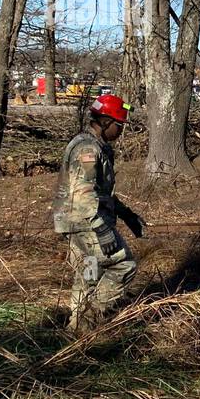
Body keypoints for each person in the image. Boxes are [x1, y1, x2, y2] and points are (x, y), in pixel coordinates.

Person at [52, 94, 146, 332]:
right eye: (118, 125)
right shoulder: (88, 149)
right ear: (104, 122)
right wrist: (102, 228)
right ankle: (88, 321)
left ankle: (76, 333)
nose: (120, 131)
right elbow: (84, 192)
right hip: (86, 222)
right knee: (123, 266)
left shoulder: (90, 144)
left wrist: (126, 213)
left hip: (76, 221)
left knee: (89, 273)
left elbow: (99, 190)